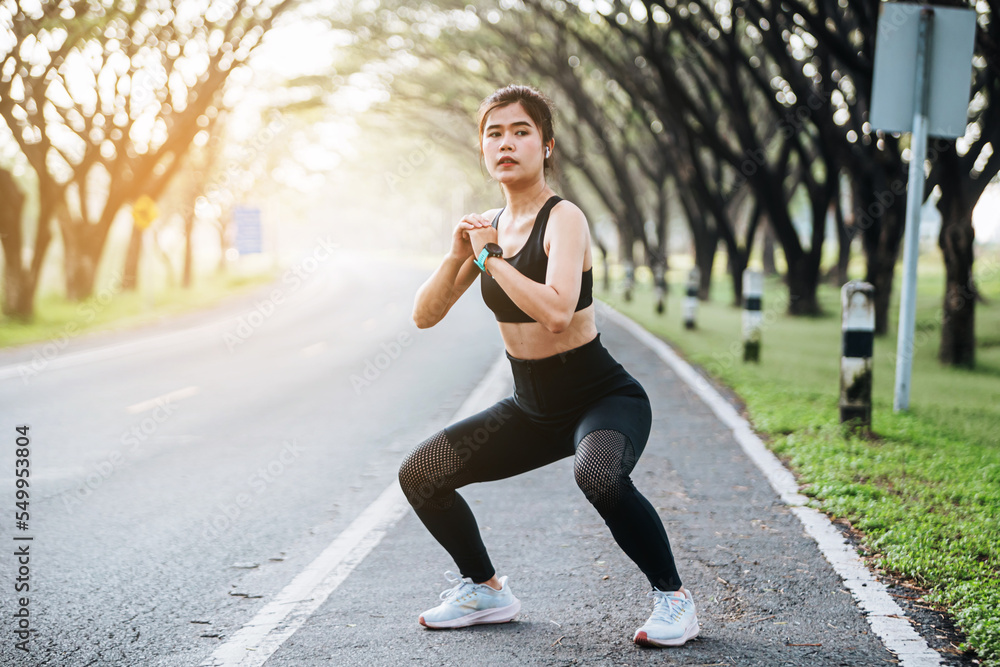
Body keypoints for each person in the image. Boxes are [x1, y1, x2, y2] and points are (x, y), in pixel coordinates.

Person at [397, 84, 699, 648]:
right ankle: (486, 589)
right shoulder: (485, 229)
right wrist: (458, 254)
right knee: (421, 473)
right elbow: (425, 316)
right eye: (494, 133)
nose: (506, 143)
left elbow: (558, 311)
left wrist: (491, 257)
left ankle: (674, 600)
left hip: (600, 397)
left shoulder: (564, 219)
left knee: (599, 474)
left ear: (547, 145)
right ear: (483, 150)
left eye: (520, 131)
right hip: (531, 407)